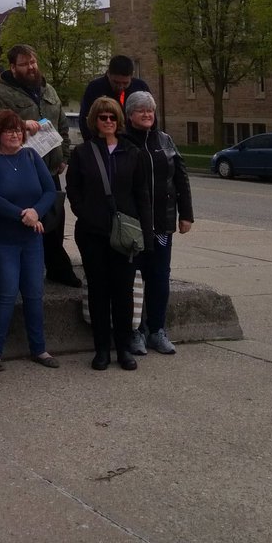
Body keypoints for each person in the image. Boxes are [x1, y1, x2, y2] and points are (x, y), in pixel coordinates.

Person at [0, 44, 80, 287]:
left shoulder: (49, 90)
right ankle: (28, 269)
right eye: (24, 64)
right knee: (27, 220)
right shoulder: (0, 94)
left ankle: (57, 267)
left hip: (50, 168)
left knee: (55, 218)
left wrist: (64, 156)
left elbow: (62, 125)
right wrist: (21, 124)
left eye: (33, 62)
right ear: (13, 68)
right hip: (20, 168)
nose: (31, 67)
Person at [65, 98, 152, 371]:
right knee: (99, 291)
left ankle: (124, 347)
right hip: (93, 232)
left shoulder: (132, 152)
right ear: (95, 120)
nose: (108, 122)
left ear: (119, 120)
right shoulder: (83, 153)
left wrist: (146, 235)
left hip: (125, 234)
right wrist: (85, 213)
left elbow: (142, 195)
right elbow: (74, 189)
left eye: (112, 117)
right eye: (103, 117)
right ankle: (101, 348)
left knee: (123, 292)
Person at [0, 109, 59, 372]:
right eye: (8, 130)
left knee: (34, 293)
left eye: (18, 130)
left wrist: (36, 212)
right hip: (3, 240)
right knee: (7, 293)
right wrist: (23, 214)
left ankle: (39, 348)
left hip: (31, 239)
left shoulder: (32, 156)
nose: (14, 134)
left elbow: (49, 190)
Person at [123, 91, 194, 356]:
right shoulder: (123, 142)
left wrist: (185, 214)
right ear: (130, 115)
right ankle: (135, 331)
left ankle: (157, 330)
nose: (146, 114)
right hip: (133, 227)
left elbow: (181, 178)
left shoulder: (165, 141)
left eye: (150, 110)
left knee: (160, 277)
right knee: (133, 281)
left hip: (162, 225)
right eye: (141, 110)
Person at [78, 56, 150, 141]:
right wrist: (92, 144)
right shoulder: (95, 88)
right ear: (108, 74)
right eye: (116, 82)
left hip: (136, 142)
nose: (120, 87)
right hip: (103, 143)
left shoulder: (140, 87)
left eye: (125, 83)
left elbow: (151, 115)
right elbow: (85, 119)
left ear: (131, 76)